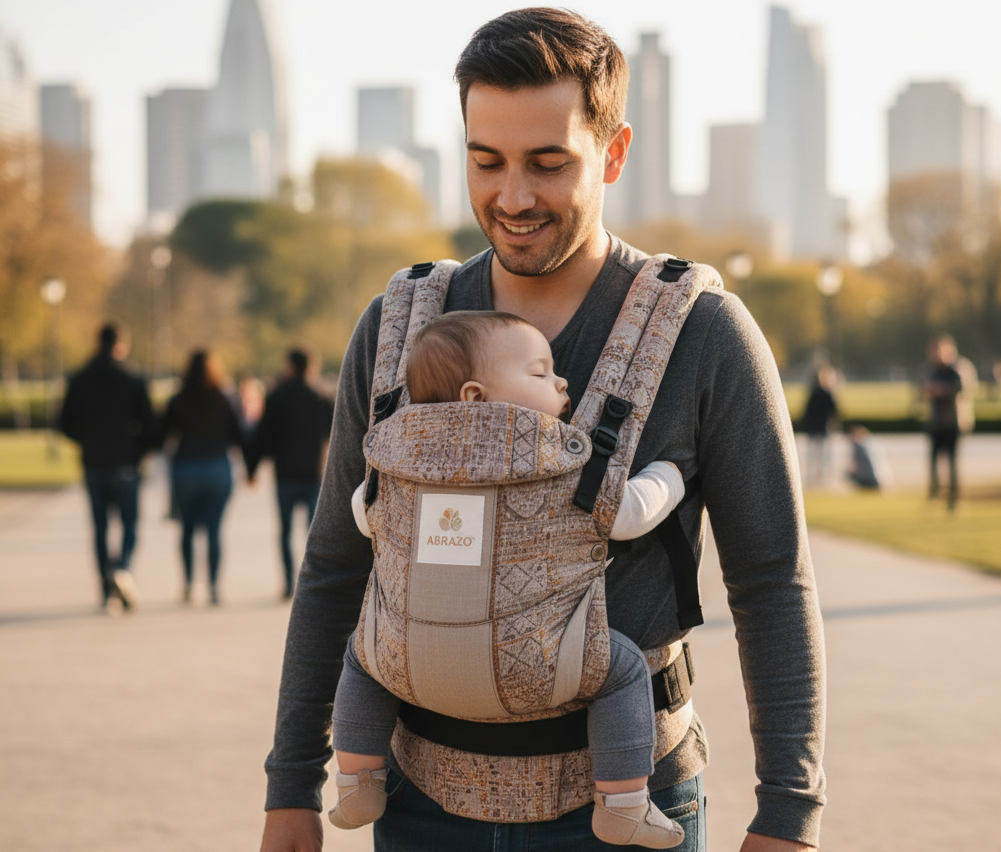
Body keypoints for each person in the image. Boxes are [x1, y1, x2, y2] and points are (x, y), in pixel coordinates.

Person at [260, 10, 825, 852]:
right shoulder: (396, 325)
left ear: (615, 152)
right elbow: (338, 568)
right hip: (419, 810)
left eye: (549, 163)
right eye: (486, 162)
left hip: (627, 813)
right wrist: (291, 787)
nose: (513, 196)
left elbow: (773, 580)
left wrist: (790, 814)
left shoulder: (703, 333)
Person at [330, 311, 687, 848]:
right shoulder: (562, 466)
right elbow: (628, 512)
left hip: (407, 662)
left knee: (361, 657)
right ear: (475, 396)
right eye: (540, 373)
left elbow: (364, 513)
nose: (562, 381)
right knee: (623, 671)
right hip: (538, 664)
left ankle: (357, 781)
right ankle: (623, 802)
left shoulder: (395, 467)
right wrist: (669, 476)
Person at [59, 322, 157, 612]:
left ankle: (106, 589)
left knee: (100, 527)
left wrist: (86, 439)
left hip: (94, 462)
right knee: (130, 523)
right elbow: (150, 424)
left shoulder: (80, 379)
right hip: (125, 462)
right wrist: (139, 449)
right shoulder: (133, 378)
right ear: (120, 345)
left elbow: (66, 422)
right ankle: (122, 567)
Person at [245, 349, 334, 599]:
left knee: (284, 532)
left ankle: (287, 583)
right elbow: (338, 437)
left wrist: (251, 469)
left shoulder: (277, 396)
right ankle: (313, 583)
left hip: (285, 475)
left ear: (290, 367)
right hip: (315, 475)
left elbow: (263, 436)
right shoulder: (323, 396)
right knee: (314, 535)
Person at [160, 350, 245, 605]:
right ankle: (214, 587)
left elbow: (161, 433)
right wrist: (250, 468)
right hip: (217, 467)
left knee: (186, 529)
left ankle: (187, 585)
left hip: (186, 468)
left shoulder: (178, 400)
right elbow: (238, 436)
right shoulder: (223, 399)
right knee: (214, 531)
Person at [922, 335, 963, 511]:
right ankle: (935, 494)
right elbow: (922, 389)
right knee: (933, 461)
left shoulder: (955, 370)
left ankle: (953, 498)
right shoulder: (932, 371)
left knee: (952, 462)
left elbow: (960, 389)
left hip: (952, 423)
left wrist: (941, 390)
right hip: (936, 423)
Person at [801, 365, 839, 488]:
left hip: (815, 427)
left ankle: (816, 476)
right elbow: (834, 411)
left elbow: (807, 411)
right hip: (821, 427)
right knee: (821, 454)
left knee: (815, 454)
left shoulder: (815, 393)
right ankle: (821, 476)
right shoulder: (827, 394)